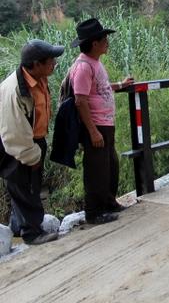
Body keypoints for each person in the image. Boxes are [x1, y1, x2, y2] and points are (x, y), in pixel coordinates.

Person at [69, 18, 134, 225]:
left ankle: (108, 202)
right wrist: (93, 131)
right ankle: (93, 212)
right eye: (104, 39)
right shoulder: (83, 67)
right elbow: (80, 101)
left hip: (105, 124)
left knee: (109, 165)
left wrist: (120, 85)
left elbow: (100, 88)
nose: (107, 42)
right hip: (96, 125)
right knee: (96, 169)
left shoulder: (94, 63)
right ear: (94, 43)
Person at [0, 40, 64, 245]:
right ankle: (32, 233)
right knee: (25, 189)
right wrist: (31, 155)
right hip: (18, 147)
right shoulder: (15, 90)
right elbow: (13, 132)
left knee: (28, 186)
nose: (54, 63)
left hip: (34, 141)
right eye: (51, 60)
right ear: (36, 64)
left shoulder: (38, 78)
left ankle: (18, 228)